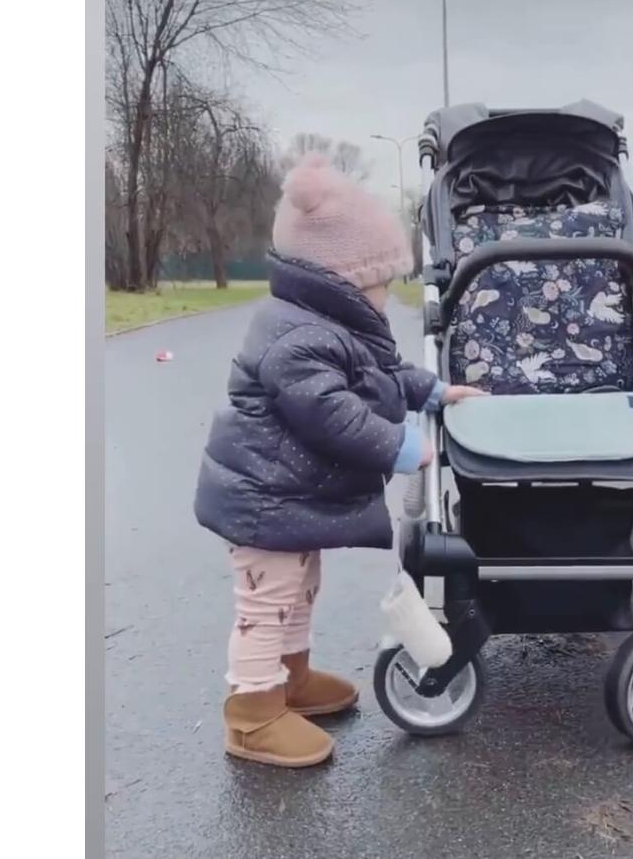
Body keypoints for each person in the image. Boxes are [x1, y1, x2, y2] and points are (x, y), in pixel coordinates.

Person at [193, 153, 483, 768]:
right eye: (381, 282)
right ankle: (252, 714)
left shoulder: (333, 324)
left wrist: (432, 392)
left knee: (300, 590)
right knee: (267, 604)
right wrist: (401, 446)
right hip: (262, 500)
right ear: (341, 279)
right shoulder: (299, 338)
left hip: (288, 498)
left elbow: (381, 375)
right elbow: (333, 414)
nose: (386, 296)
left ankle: (291, 680)